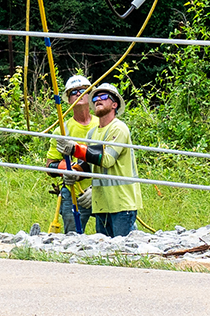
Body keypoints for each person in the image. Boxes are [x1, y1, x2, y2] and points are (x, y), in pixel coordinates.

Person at [56, 83, 141, 237]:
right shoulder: (93, 133)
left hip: (121, 203)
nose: (97, 100)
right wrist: (75, 173)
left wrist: (75, 148)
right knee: (105, 252)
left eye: (103, 97)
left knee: (123, 252)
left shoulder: (119, 128)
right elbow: (89, 164)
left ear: (114, 104)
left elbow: (107, 159)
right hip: (102, 204)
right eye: (95, 97)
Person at [44, 74, 95, 234]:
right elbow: (50, 166)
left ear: (90, 94)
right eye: (74, 92)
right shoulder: (62, 130)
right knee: (72, 239)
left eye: (82, 90)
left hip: (102, 190)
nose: (78, 94)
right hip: (73, 191)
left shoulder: (103, 125)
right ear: (68, 99)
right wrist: (67, 169)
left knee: (112, 237)